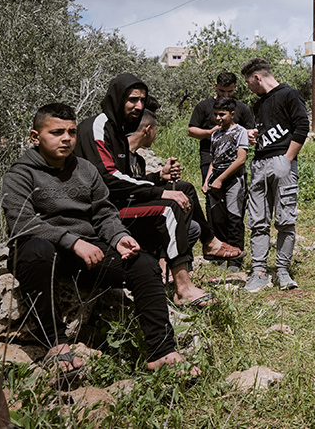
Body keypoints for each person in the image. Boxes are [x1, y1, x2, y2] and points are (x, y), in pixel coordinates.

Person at [2, 103, 197, 378]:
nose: (66, 138)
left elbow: (104, 213)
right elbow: (22, 223)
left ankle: (162, 352)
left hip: (86, 251)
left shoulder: (85, 170)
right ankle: (55, 345)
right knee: (37, 251)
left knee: (144, 264)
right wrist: (72, 241)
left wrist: (119, 236)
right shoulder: (20, 174)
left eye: (71, 132)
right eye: (56, 132)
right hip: (42, 252)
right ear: (36, 137)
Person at [75, 73, 226, 308]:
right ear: (117, 98)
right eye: (132, 99)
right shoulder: (99, 126)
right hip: (101, 213)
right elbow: (108, 177)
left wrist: (157, 179)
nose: (138, 106)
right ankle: (183, 288)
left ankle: (203, 247)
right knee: (169, 209)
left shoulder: (119, 132)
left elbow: (127, 179)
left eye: (142, 100)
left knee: (182, 189)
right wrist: (159, 192)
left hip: (118, 203)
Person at [241, 57, 309, 292]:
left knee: (285, 220)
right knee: (257, 221)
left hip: (283, 162)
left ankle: (282, 271)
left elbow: (302, 127)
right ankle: (259, 271)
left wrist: (286, 160)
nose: (249, 87)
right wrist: (254, 136)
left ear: (257, 77)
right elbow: (266, 131)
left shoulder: (289, 95)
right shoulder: (258, 104)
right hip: (259, 164)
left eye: (249, 82)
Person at [202, 96, 249, 272]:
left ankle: (236, 259)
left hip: (234, 180)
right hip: (216, 181)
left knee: (234, 218)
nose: (218, 118)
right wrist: (207, 181)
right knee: (218, 219)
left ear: (232, 114)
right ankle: (223, 254)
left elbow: (241, 159)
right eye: (216, 114)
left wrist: (221, 179)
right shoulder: (215, 134)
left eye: (222, 114)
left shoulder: (240, 131)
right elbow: (213, 160)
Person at [188, 71, 255, 182]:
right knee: (210, 188)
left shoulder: (242, 108)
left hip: (234, 161)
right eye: (222, 91)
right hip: (209, 158)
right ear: (216, 86)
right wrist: (209, 133)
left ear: (235, 88)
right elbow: (191, 130)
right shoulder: (203, 106)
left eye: (230, 91)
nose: (225, 95)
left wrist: (250, 135)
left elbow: (249, 130)